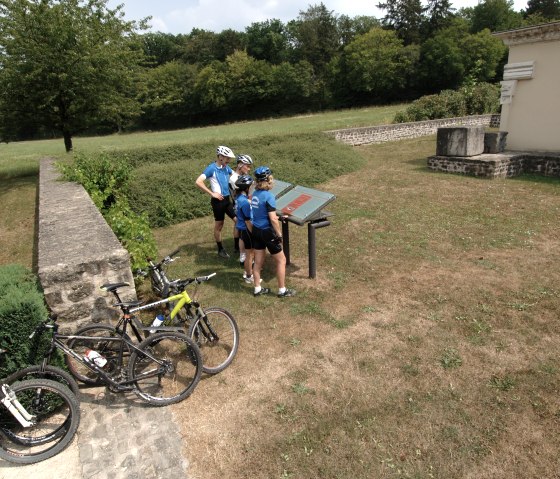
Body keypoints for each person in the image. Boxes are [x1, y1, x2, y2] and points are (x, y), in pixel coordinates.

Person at [250, 166, 296, 298]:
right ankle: (282, 291)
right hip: (267, 232)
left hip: (256, 230)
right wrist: (279, 234)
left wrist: (277, 217)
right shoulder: (269, 196)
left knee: (258, 261)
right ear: (268, 180)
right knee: (281, 260)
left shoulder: (255, 194)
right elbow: (272, 219)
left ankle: (257, 289)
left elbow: (263, 212)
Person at [195, 146, 236, 258]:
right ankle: (220, 249)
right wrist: (212, 193)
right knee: (219, 225)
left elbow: (235, 176)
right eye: (227, 158)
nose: (229, 160)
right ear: (220, 156)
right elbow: (198, 182)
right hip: (218, 202)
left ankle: (237, 246)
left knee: (238, 221)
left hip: (227, 200)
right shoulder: (211, 168)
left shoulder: (225, 167)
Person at [229, 155, 254, 266]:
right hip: (240, 205)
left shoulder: (243, 175)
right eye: (247, 166)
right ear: (240, 165)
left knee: (241, 229)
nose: (249, 169)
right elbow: (240, 194)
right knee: (244, 231)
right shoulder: (234, 178)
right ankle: (244, 255)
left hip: (243, 202)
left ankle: (242, 253)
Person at [234, 174, 256, 283]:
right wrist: (253, 233)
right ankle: (249, 276)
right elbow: (248, 220)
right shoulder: (245, 203)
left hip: (241, 228)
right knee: (250, 254)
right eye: (251, 186)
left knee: (247, 254)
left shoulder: (239, 198)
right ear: (246, 188)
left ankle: (247, 273)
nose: (252, 187)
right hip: (247, 230)